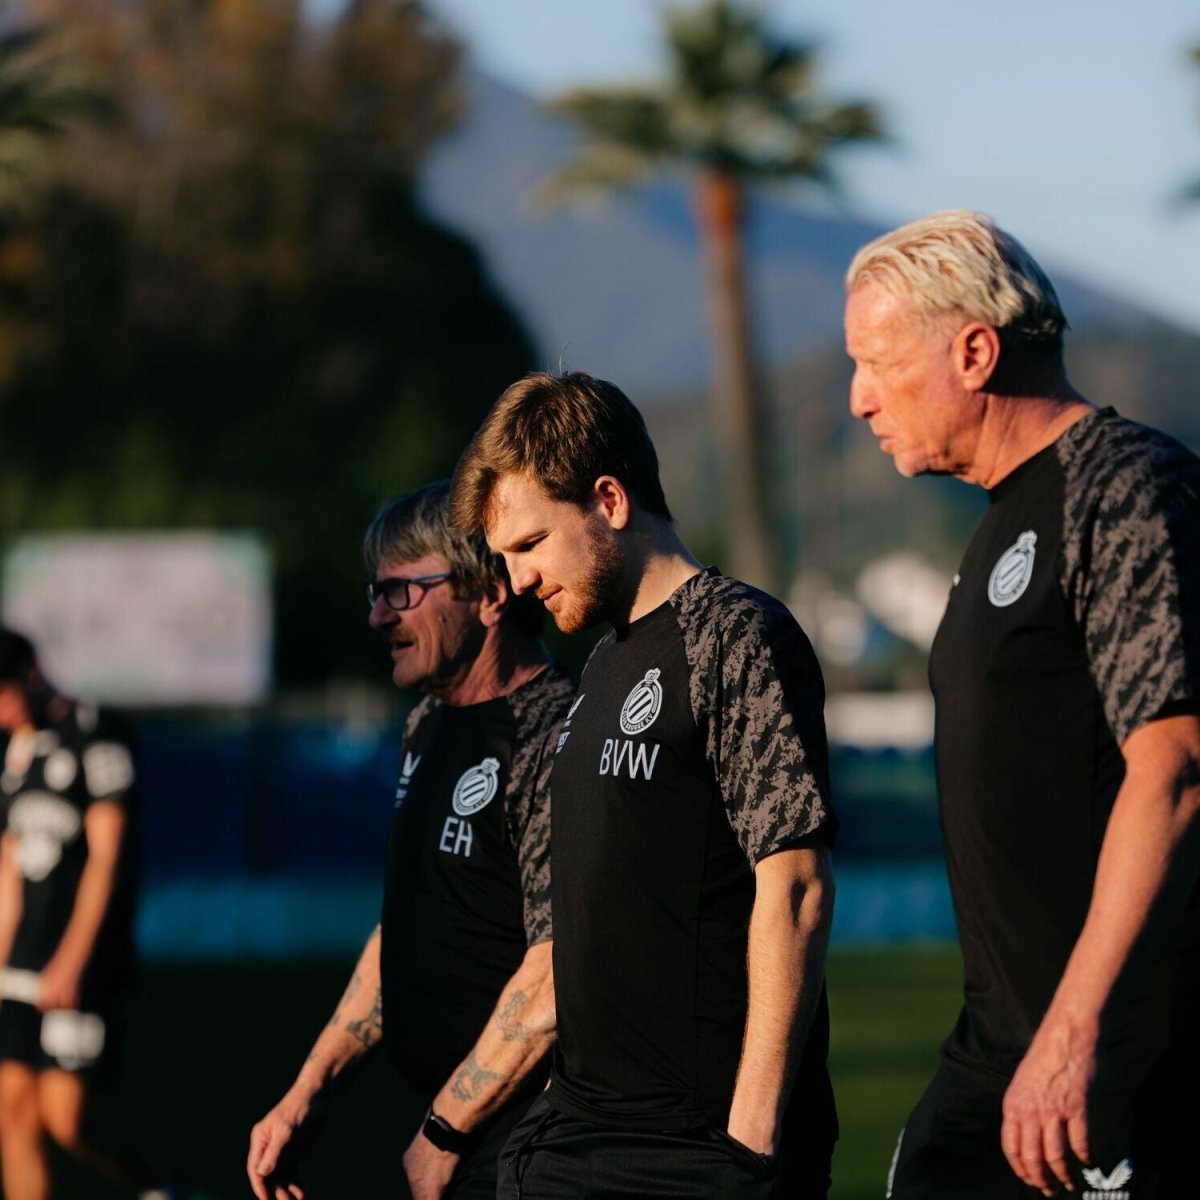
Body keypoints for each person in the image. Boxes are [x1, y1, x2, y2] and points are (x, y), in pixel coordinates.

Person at [843, 209, 1200, 1199]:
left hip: (1117, 1065)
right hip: (999, 1050)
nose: (859, 398)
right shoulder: (997, 526)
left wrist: (1075, 1032)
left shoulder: (1126, 489)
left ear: (973, 350)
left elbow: (1175, 767)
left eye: (876, 362)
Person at [449, 370, 839, 1199]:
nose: (515, 580)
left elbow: (796, 886)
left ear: (610, 501)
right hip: (577, 1138)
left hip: (696, 1151)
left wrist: (751, 1140)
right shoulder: (599, 663)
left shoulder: (736, 634)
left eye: (530, 545)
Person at [247, 480, 574, 1200]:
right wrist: (309, 1091)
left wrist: (443, 1134)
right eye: (376, 591)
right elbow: (409, 927)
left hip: (532, 1148)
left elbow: (557, 972)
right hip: (458, 1135)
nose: (375, 615)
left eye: (402, 591)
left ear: (490, 594)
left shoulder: (559, 736)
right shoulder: (428, 724)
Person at [0, 627, 179, 1200]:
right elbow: (8, 869)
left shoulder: (98, 736)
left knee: (67, 1119)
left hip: (83, 966)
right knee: (12, 1113)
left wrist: (72, 961)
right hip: (21, 968)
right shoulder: (15, 750)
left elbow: (107, 860)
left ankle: (161, 1188)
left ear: (30, 673)